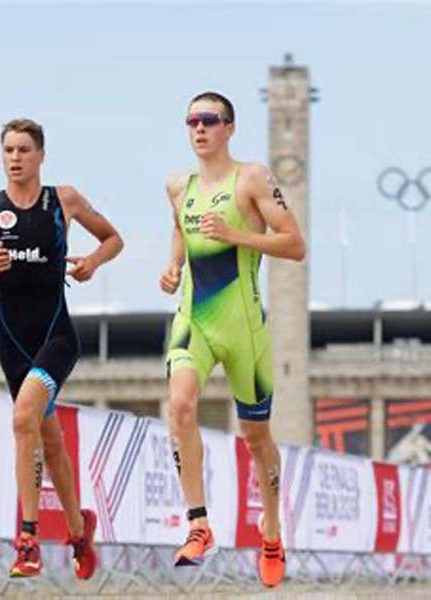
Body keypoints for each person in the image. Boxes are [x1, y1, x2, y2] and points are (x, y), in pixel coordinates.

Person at [0, 118, 123, 579]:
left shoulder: (62, 200)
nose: (15, 157)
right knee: (48, 440)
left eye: (24, 150)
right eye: (8, 150)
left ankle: (27, 539)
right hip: (11, 342)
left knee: (24, 417)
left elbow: (113, 238)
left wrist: (91, 262)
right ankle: (77, 529)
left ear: (41, 155)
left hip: (56, 337)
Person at [159, 91, 306, 588]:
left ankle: (271, 528)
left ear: (230, 127)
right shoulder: (179, 185)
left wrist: (237, 234)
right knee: (179, 405)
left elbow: (295, 244)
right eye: (191, 121)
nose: (198, 129)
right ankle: (199, 524)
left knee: (255, 437)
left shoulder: (254, 178)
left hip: (244, 327)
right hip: (194, 319)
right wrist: (173, 265)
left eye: (209, 120)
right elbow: (181, 231)